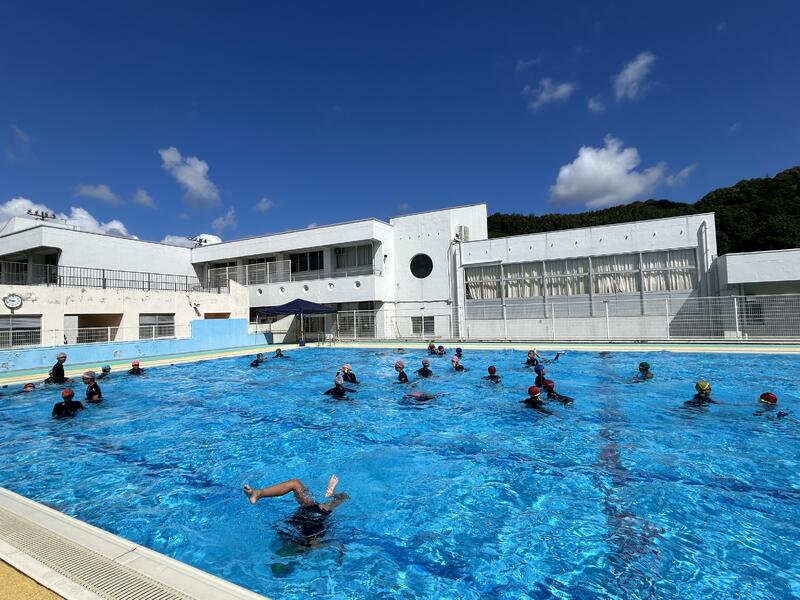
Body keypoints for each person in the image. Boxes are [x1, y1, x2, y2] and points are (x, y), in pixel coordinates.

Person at [242, 475, 349, 548]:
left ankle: (257, 493)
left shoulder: (299, 542)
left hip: (314, 513)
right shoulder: (303, 544)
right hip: (315, 515)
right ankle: (257, 493)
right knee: (295, 483)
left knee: (295, 483)